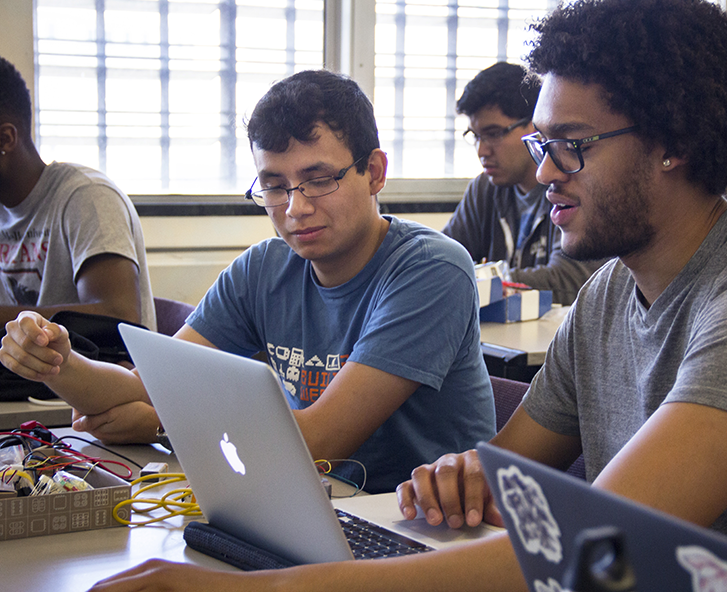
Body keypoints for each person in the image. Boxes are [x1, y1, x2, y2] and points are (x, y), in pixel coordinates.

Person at [76, 0, 727, 591]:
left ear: (673, 141)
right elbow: (504, 470)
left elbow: (607, 546)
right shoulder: (611, 293)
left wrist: (256, 589)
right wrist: (462, 473)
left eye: (571, 144)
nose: (544, 173)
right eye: (542, 146)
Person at [0, 69, 496, 495]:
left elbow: (318, 442)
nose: (295, 208)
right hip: (313, 501)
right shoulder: (264, 268)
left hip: (414, 521)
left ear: (374, 172)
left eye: (319, 179)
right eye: (274, 186)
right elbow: (141, 387)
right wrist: (56, 361)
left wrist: (161, 422)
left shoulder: (431, 269)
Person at [0, 56, 156, 331]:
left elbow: (117, 316)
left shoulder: (88, 198)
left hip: (95, 370)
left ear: (6, 139)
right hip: (26, 371)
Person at [443, 61, 603, 305]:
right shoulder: (484, 189)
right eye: (475, 136)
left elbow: (570, 280)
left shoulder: (569, 185)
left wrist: (482, 279)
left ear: (536, 125)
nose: (481, 150)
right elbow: (442, 261)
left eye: (494, 133)